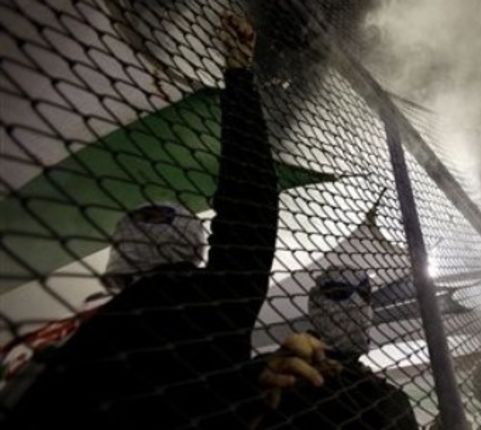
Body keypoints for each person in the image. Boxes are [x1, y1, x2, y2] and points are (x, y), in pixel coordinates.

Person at [5, 13, 323, 429]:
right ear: (194, 249)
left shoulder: (44, 338)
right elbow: (250, 208)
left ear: (117, 258)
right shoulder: (197, 302)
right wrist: (240, 74)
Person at [257, 268, 420, 430]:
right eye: (340, 293)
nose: (357, 304)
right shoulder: (277, 373)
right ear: (316, 303)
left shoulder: (389, 398)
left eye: (364, 293)